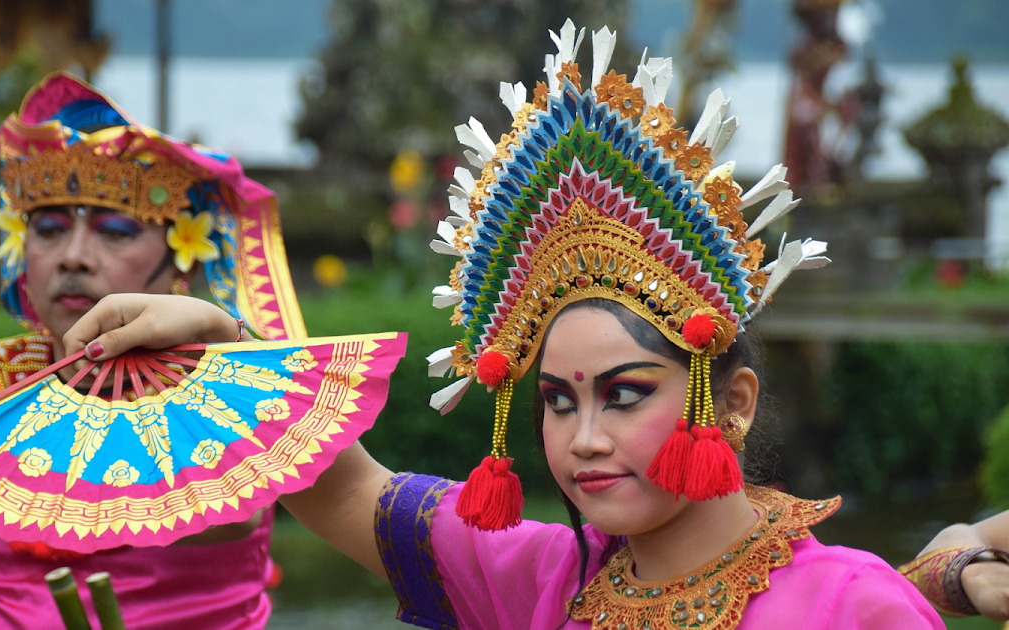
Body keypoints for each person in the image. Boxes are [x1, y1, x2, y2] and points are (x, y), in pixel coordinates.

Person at [63, 22, 946, 629]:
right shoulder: (543, 576)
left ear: (734, 401)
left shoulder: (851, 603)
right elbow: (339, 490)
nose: (584, 440)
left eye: (625, 394)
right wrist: (223, 337)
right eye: (557, 402)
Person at [0, 72, 306, 629]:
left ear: (182, 262)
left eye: (115, 231)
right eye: (47, 229)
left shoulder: (226, 376)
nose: (73, 256)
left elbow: (234, 514)